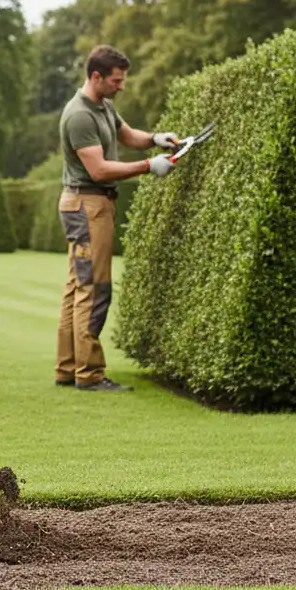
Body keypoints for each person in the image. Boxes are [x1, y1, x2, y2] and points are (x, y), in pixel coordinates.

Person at [54, 45, 178, 391]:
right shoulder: (79, 115)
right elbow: (99, 169)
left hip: (88, 205)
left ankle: (67, 368)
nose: (121, 86)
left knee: (76, 287)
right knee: (93, 288)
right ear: (97, 77)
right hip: (88, 206)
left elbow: (127, 136)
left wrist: (155, 140)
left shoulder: (104, 107)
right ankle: (90, 374)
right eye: (117, 80)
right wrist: (148, 167)